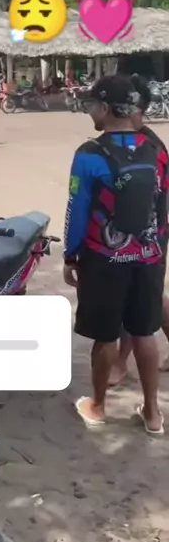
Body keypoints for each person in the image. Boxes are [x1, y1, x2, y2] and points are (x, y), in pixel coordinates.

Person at [63, 74, 164, 434]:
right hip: (149, 257)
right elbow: (162, 205)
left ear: (105, 108)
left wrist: (70, 256)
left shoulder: (89, 154)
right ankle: (152, 414)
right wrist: (156, 251)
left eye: (91, 104)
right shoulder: (156, 148)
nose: (90, 110)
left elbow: (77, 209)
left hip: (103, 260)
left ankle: (98, 406)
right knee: (144, 333)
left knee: (105, 336)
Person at [109, 74, 169, 385]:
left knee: (136, 301)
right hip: (133, 234)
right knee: (151, 297)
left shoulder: (150, 146)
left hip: (149, 236)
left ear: (137, 108)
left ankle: (120, 362)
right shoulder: (125, 141)